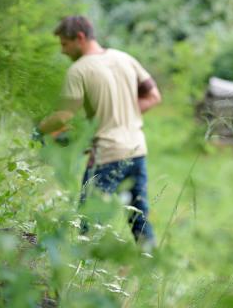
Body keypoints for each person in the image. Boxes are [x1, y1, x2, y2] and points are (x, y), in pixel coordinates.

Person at [37, 15, 162, 252]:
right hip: (136, 150)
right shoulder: (125, 58)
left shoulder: (79, 70)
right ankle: (151, 272)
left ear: (80, 38)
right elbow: (154, 96)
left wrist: (38, 130)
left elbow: (63, 116)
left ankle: (82, 277)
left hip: (107, 156)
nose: (63, 51)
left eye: (65, 44)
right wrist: (123, 115)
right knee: (139, 218)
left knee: (87, 224)